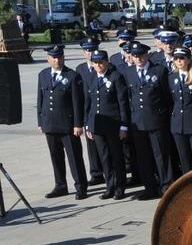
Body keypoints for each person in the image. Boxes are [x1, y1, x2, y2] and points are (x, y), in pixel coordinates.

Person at [123, 41, 174, 199]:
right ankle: (149, 187)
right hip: (138, 123)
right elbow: (127, 98)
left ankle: (167, 186)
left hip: (156, 120)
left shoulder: (159, 70)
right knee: (143, 156)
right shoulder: (128, 73)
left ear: (147, 55)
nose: (138, 58)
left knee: (161, 155)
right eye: (135, 55)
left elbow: (167, 97)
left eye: (141, 55)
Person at [37, 44, 88, 200]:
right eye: (53, 57)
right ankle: (60, 185)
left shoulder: (72, 76)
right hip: (50, 123)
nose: (57, 60)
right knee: (56, 156)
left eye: (59, 57)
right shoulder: (43, 75)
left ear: (63, 57)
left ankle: (81, 186)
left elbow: (77, 103)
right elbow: (41, 99)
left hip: (67, 125)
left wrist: (78, 124)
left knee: (74, 157)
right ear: (48, 59)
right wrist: (41, 121)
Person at [84, 50, 129, 200]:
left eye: (101, 62)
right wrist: (88, 125)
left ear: (107, 62)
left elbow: (122, 103)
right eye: (95, 63)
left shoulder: (116, 77)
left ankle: (120, 187)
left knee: (116, 156)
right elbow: (88, 104)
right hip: (97, 125)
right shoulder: (91, 78)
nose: (99, 65)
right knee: (104, 157)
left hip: (113, 124)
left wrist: (123, 126)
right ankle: (110, 186)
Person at [75, 37, 106, 187]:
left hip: (101, 109)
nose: (90, 53)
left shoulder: (103, 66)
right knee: (91, 142)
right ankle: (96, 173)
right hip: (87, 109)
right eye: (87, 50)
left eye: (92, 49)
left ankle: (107, 170)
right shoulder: (80, 69)